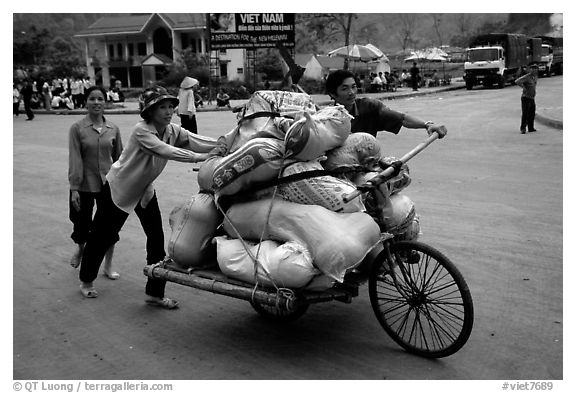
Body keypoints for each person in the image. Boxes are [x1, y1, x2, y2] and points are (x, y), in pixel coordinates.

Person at [77, 86, 217, 307]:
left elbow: (194, 139)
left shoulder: (172, 130)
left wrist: (223, 145)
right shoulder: (142, 130)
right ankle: (86, 281)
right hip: (118, 190)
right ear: (150, 111)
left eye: (171, 106)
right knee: (101, 237)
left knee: (156, 239)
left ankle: (154, 293)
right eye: (162, 107)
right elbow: (166, 151)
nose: (168, 111)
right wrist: (203, 157)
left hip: (144, 190)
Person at [68, 86, 123, 279]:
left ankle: (108, 265)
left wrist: (122, 184)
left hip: (108, 185)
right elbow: (75, 158)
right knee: (81, 225)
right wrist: (74, 188)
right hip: (83, 185)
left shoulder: (113, 129)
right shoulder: (77, 128)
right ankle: (81, 248)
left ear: (105, 102)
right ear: (86, 102)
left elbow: (120, 159)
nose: (97, 102)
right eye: (92, 98)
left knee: (109, 228)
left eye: (100, 98)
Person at [325, 69, 447, 139]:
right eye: (345, 89)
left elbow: (402, 119)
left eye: (353, 87)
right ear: (333, 94)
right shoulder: (325, 118)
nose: (351, 92)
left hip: (366, 166)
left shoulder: (369, 107)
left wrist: (427, 125)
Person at [515, 63, 539, 134]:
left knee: (532, 113)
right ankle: (523, 128)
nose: (534, 70)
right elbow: (517, 81)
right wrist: (524, 87)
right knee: (525, 113)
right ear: (530, 70)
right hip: (526, 97)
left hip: (532, 98)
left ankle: (530, 127)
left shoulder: (535, 77)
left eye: (535, 69)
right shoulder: (527, 77)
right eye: (533, 69)